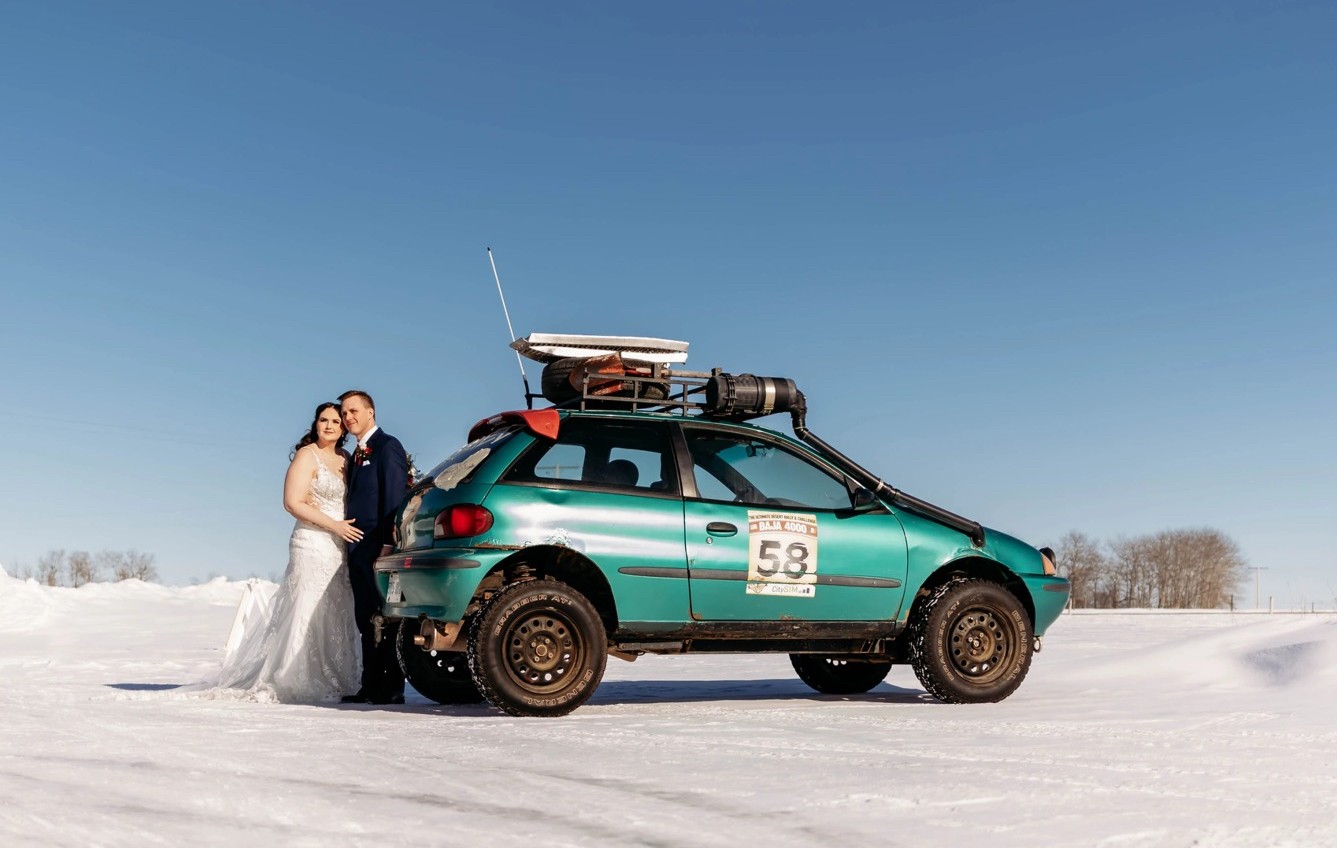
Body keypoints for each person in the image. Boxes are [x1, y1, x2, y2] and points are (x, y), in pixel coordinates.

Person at [207, 402, 363, 702]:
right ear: (315, 424)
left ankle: (335, 676)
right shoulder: (308, 456)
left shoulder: (347, 459)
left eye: (335, 421)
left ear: (344, 428)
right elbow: (293, 502)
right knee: (306, 604)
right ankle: (293, 677)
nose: (329, 425)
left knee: (335, 607)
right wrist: (334, 525)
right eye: (323, 420)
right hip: (313, 540)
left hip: (340, 546)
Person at [338, 389, 408, 705]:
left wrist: (387, 545)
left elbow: (393, 500)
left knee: (386, 618)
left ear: (371, 412)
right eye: (344, 413)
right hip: (357, 549)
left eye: (353, 411)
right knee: (366, 617)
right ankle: (370, 685)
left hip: (377, 547)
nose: (347, 417)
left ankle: (392, 687)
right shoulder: (357, 454)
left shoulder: (387, 446)